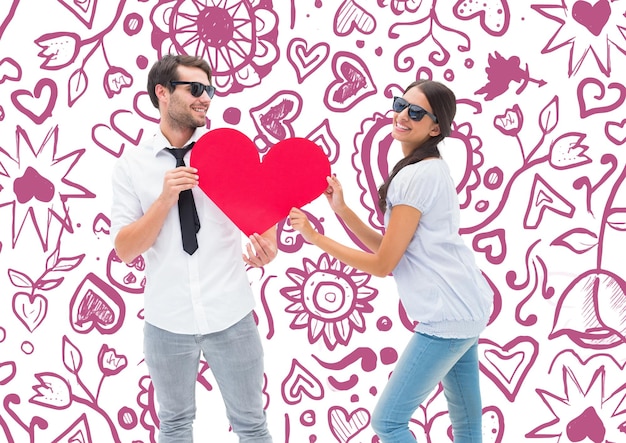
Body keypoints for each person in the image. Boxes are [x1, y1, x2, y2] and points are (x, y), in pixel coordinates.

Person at [289, 79, 493, 443]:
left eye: (415, 112)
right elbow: (394, 250)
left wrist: (317, 239)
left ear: (435, 127)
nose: (401, 115)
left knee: (389, 422)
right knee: (465, 425)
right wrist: (342, 211)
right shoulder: (429, 168)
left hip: (446, 315)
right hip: (467, 306)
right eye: (400, 104)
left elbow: (383, 265)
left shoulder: (416, 175)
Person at [110, 54, 275, 443]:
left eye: (210, 90)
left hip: (232, 315)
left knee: (252, 425)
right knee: (174, 426)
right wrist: (164, 199)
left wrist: (269, 247)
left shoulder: (228, 151)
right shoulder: (132, 165)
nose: (206, 99)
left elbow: (263, 213)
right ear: (162, 93)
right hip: (167, 322)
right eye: (195, 89)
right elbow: (125, 249)